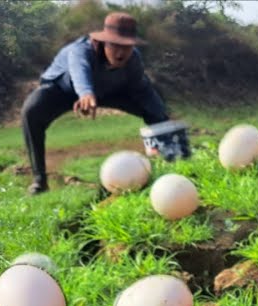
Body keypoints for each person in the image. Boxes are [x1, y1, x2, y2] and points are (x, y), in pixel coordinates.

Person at [22, 12, 169, 194]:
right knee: (32, 111)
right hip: (62, 90)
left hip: (109, 92)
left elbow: (142, 89)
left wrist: (162, 118)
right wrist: (85, 93)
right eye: (115, 45)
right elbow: (79, 70)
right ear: (104, 42)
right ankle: (39, 180)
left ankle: (170, 159)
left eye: (127, 46)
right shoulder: (81, 50)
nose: (121, 52)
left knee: (155, 109)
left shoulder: (134, 60)